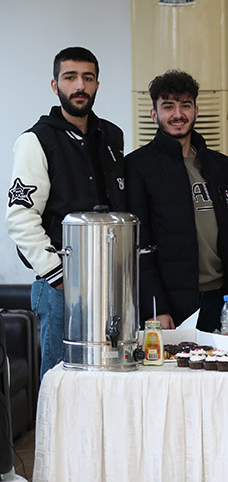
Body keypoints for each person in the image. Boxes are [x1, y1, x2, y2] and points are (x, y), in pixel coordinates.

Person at [5, 47, 125, 378]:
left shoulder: (111, 136)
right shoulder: (36, 140)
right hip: (62, 289)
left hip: (110, 284)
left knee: (107, 379)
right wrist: (58, 277)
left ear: (97, 84)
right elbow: (20, 218)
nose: (79, 86)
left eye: (88, 78)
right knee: (60, 382)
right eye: (70, 77)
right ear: (55, 85)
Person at [125, 70, 228, 332]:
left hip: (219, 298)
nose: (178, 114)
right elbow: (138, 247)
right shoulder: (137, 166)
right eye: (168, 106)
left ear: (196, 110)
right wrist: (157, 307)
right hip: (170, 303)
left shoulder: (220, 165)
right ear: (154, 114)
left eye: (185, 105)